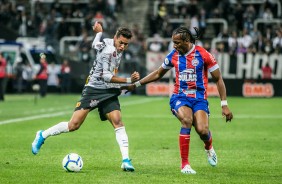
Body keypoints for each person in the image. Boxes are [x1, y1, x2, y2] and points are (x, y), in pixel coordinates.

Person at [31, 22, 140, 172]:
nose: (122, 47)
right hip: (94, 89)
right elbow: (107, 76)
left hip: (109, 91)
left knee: (118, 121)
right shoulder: (109, 50)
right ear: (115, 38)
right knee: (73, 125)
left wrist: (99, 33)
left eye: (126, 44)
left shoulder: (110, 44)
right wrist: (129, 81)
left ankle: (126, 160)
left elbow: (95, 45)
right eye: (121, 43)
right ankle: (42, 135)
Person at [126, 26, 233, 174]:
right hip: (179, 97)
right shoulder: (173, 55)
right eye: (173, 42)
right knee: (187, 120)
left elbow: (218, 79)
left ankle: (208, 147)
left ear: (187, 41)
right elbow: (158, 73)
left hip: (199, 98)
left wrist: (224, 104)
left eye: (177, 42)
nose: (174, 45)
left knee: (202, 130)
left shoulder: (203, 55)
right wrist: (136, 84)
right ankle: (185, 165)